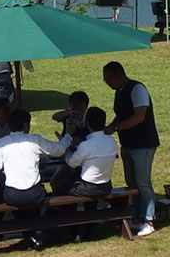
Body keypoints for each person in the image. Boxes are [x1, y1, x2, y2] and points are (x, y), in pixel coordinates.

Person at [0, 109, 72, 249]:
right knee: (40, 196)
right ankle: (32, 234)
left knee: (16, 202)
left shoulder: (2, 143)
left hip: (12, 195)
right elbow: (59, 150)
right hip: (34, 194)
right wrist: (68, 135)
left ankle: (29, 235)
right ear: (26, 125)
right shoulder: (34, 140)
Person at [102, 61, 159, 237]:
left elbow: (139, 116)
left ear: (119, 75)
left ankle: (148, 219)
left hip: (143, 143)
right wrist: (109, 128)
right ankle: (136, 215)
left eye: (108, 79)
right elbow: (121, 115)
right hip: (128, 144)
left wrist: (116, 128)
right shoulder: (119, 93)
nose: (107, 83)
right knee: (132, 183)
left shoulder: (137, 89)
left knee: (143, 182)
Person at [50, 107, 117, 205]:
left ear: (87, 123)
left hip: (88, 188)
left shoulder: (86, 145)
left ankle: (64, 214)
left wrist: (65, 146)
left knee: (58, 184)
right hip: (106, 186)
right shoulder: (111, 141)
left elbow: (71, 163)